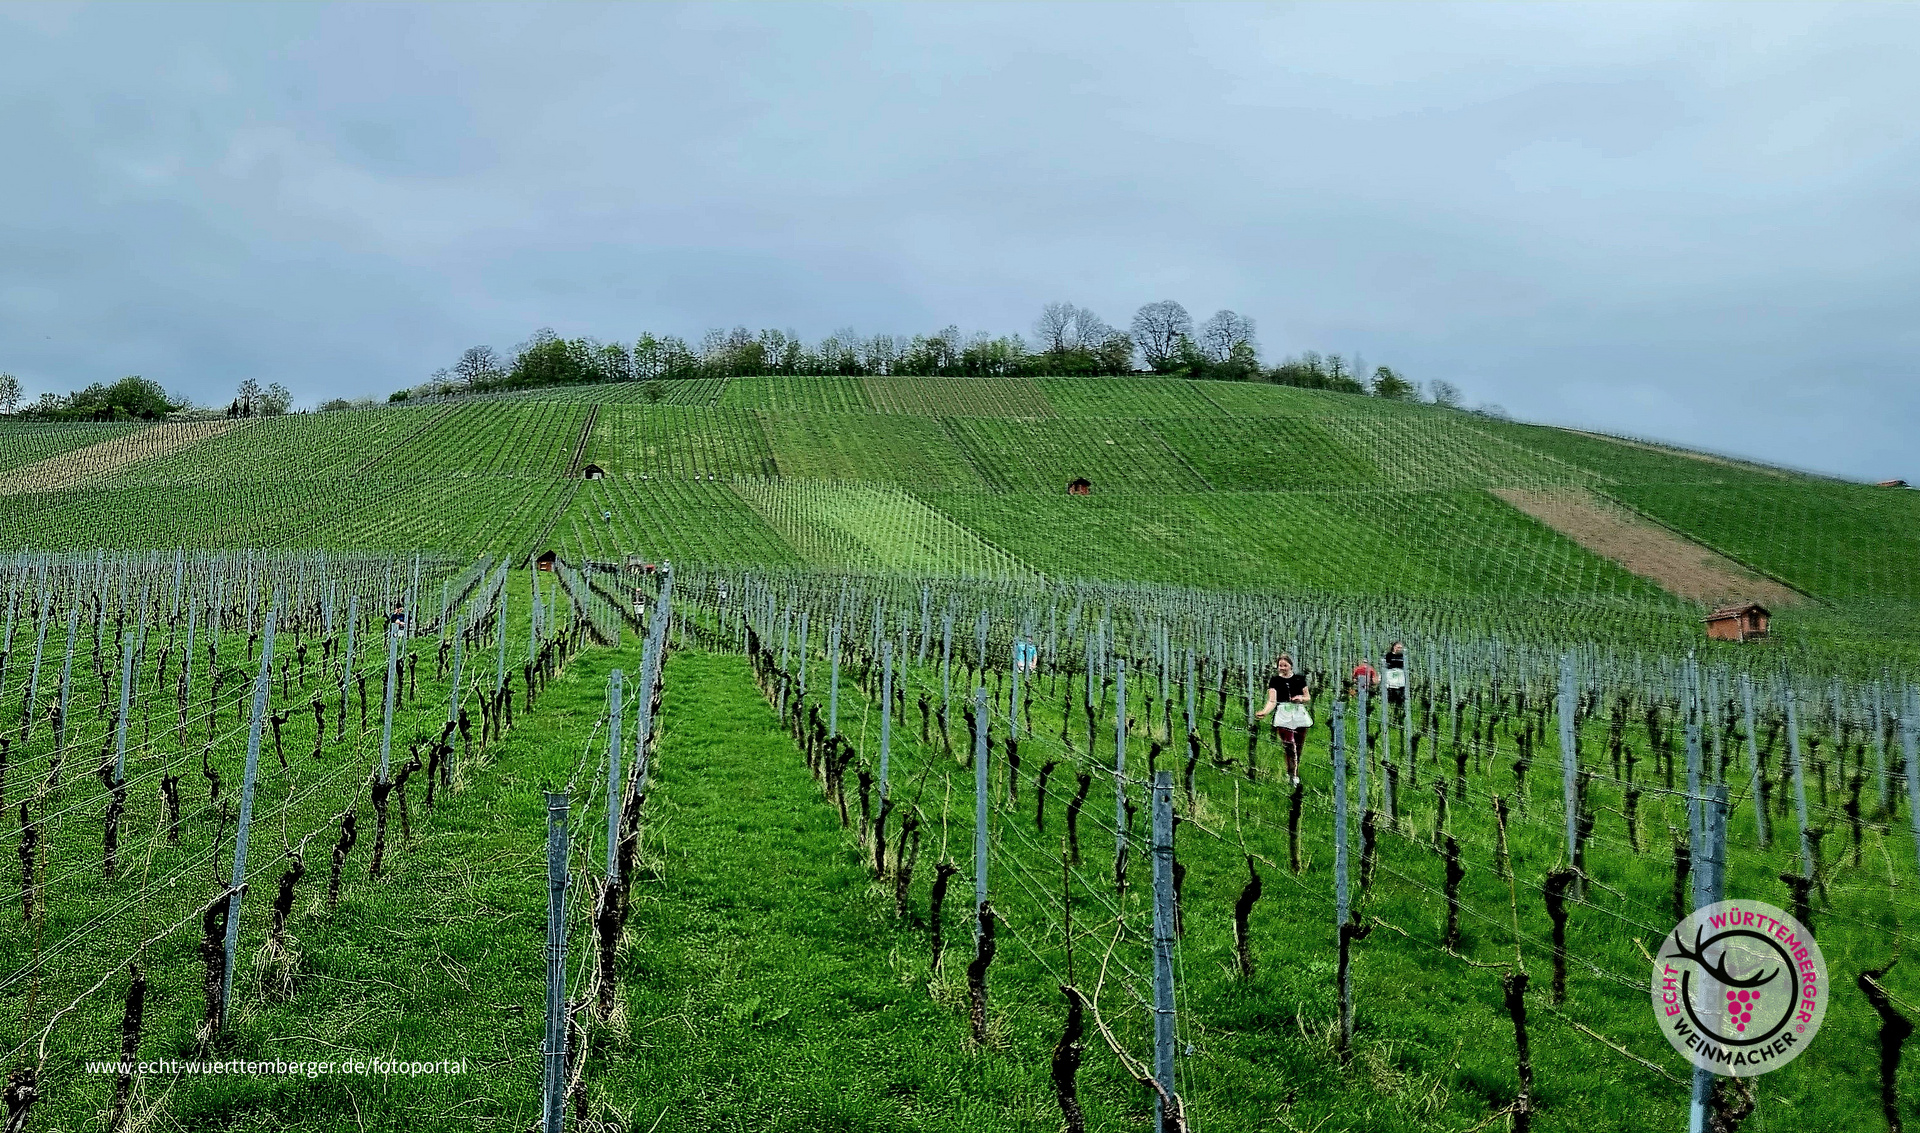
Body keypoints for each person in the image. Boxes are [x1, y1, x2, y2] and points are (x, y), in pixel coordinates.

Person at [1254, 654, 1311, 787]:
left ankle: (1294, 773)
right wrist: (1265, 712)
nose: (1283, 668)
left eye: (1285, 665)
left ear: (1291, 665)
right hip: (1283, 714)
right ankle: (1291, 774)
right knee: (1289, 745)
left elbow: (1307, 697)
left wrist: (1300, 699)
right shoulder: (1274, 681)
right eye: (1280, 665)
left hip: (1299, 714)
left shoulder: (1299, 679)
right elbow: (1272, 700)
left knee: (1299, 746)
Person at [1383, 641, 1408, 707]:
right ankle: (1391, 703)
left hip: (1400, 674)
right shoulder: (1389, 655)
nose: (1400, 649)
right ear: (1394, 647)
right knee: (1392, 688)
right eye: (1398, 647)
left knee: (1401, 688)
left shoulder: (1402, 656)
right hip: (1391, 673)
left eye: (1401, 648)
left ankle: (1400, 703)